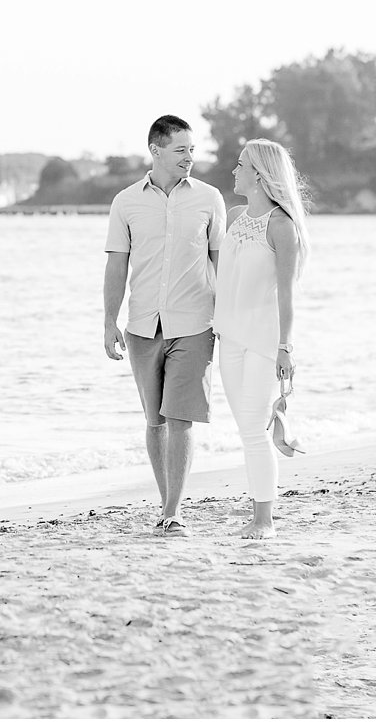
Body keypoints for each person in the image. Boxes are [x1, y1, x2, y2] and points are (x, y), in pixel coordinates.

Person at [103, 115, 226, 536]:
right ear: (156, 151)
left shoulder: (210, 199)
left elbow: (220, 263)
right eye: (180, 150)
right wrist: (108, 321)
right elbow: (116, 264)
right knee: (154, 421)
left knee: (180, 419)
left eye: (192, 149)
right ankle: (165, 502)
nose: (189, 157)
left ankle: (173, 511)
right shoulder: (126, 202)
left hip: (195, 324)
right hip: (142, 326)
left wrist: (228, 318)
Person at [214, 139, 312, 539]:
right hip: (228, 337)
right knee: (246, 429)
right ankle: (259, 512)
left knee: (253, 430)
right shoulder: (235, 216)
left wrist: (286, 347)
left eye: (241, 165)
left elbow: (287, 293)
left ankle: (263, 520)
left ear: (259, 173)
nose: (234, 172)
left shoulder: (281, 225)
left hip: (261, 341)